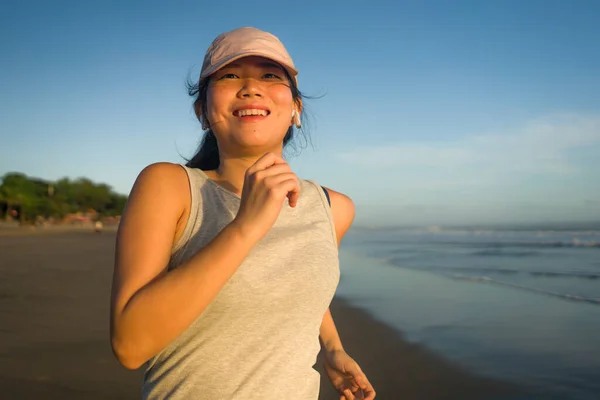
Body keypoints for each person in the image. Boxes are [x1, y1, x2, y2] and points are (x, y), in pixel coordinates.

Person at [109, 26, 375, 400]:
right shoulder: (170, 187)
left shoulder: (334, 209)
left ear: (296, 109)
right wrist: (245, 227)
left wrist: (332, 348)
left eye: (270, 75)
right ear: (202, 111)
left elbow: (304, 284)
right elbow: (130, 344)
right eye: (230, 75)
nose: (251, 87)